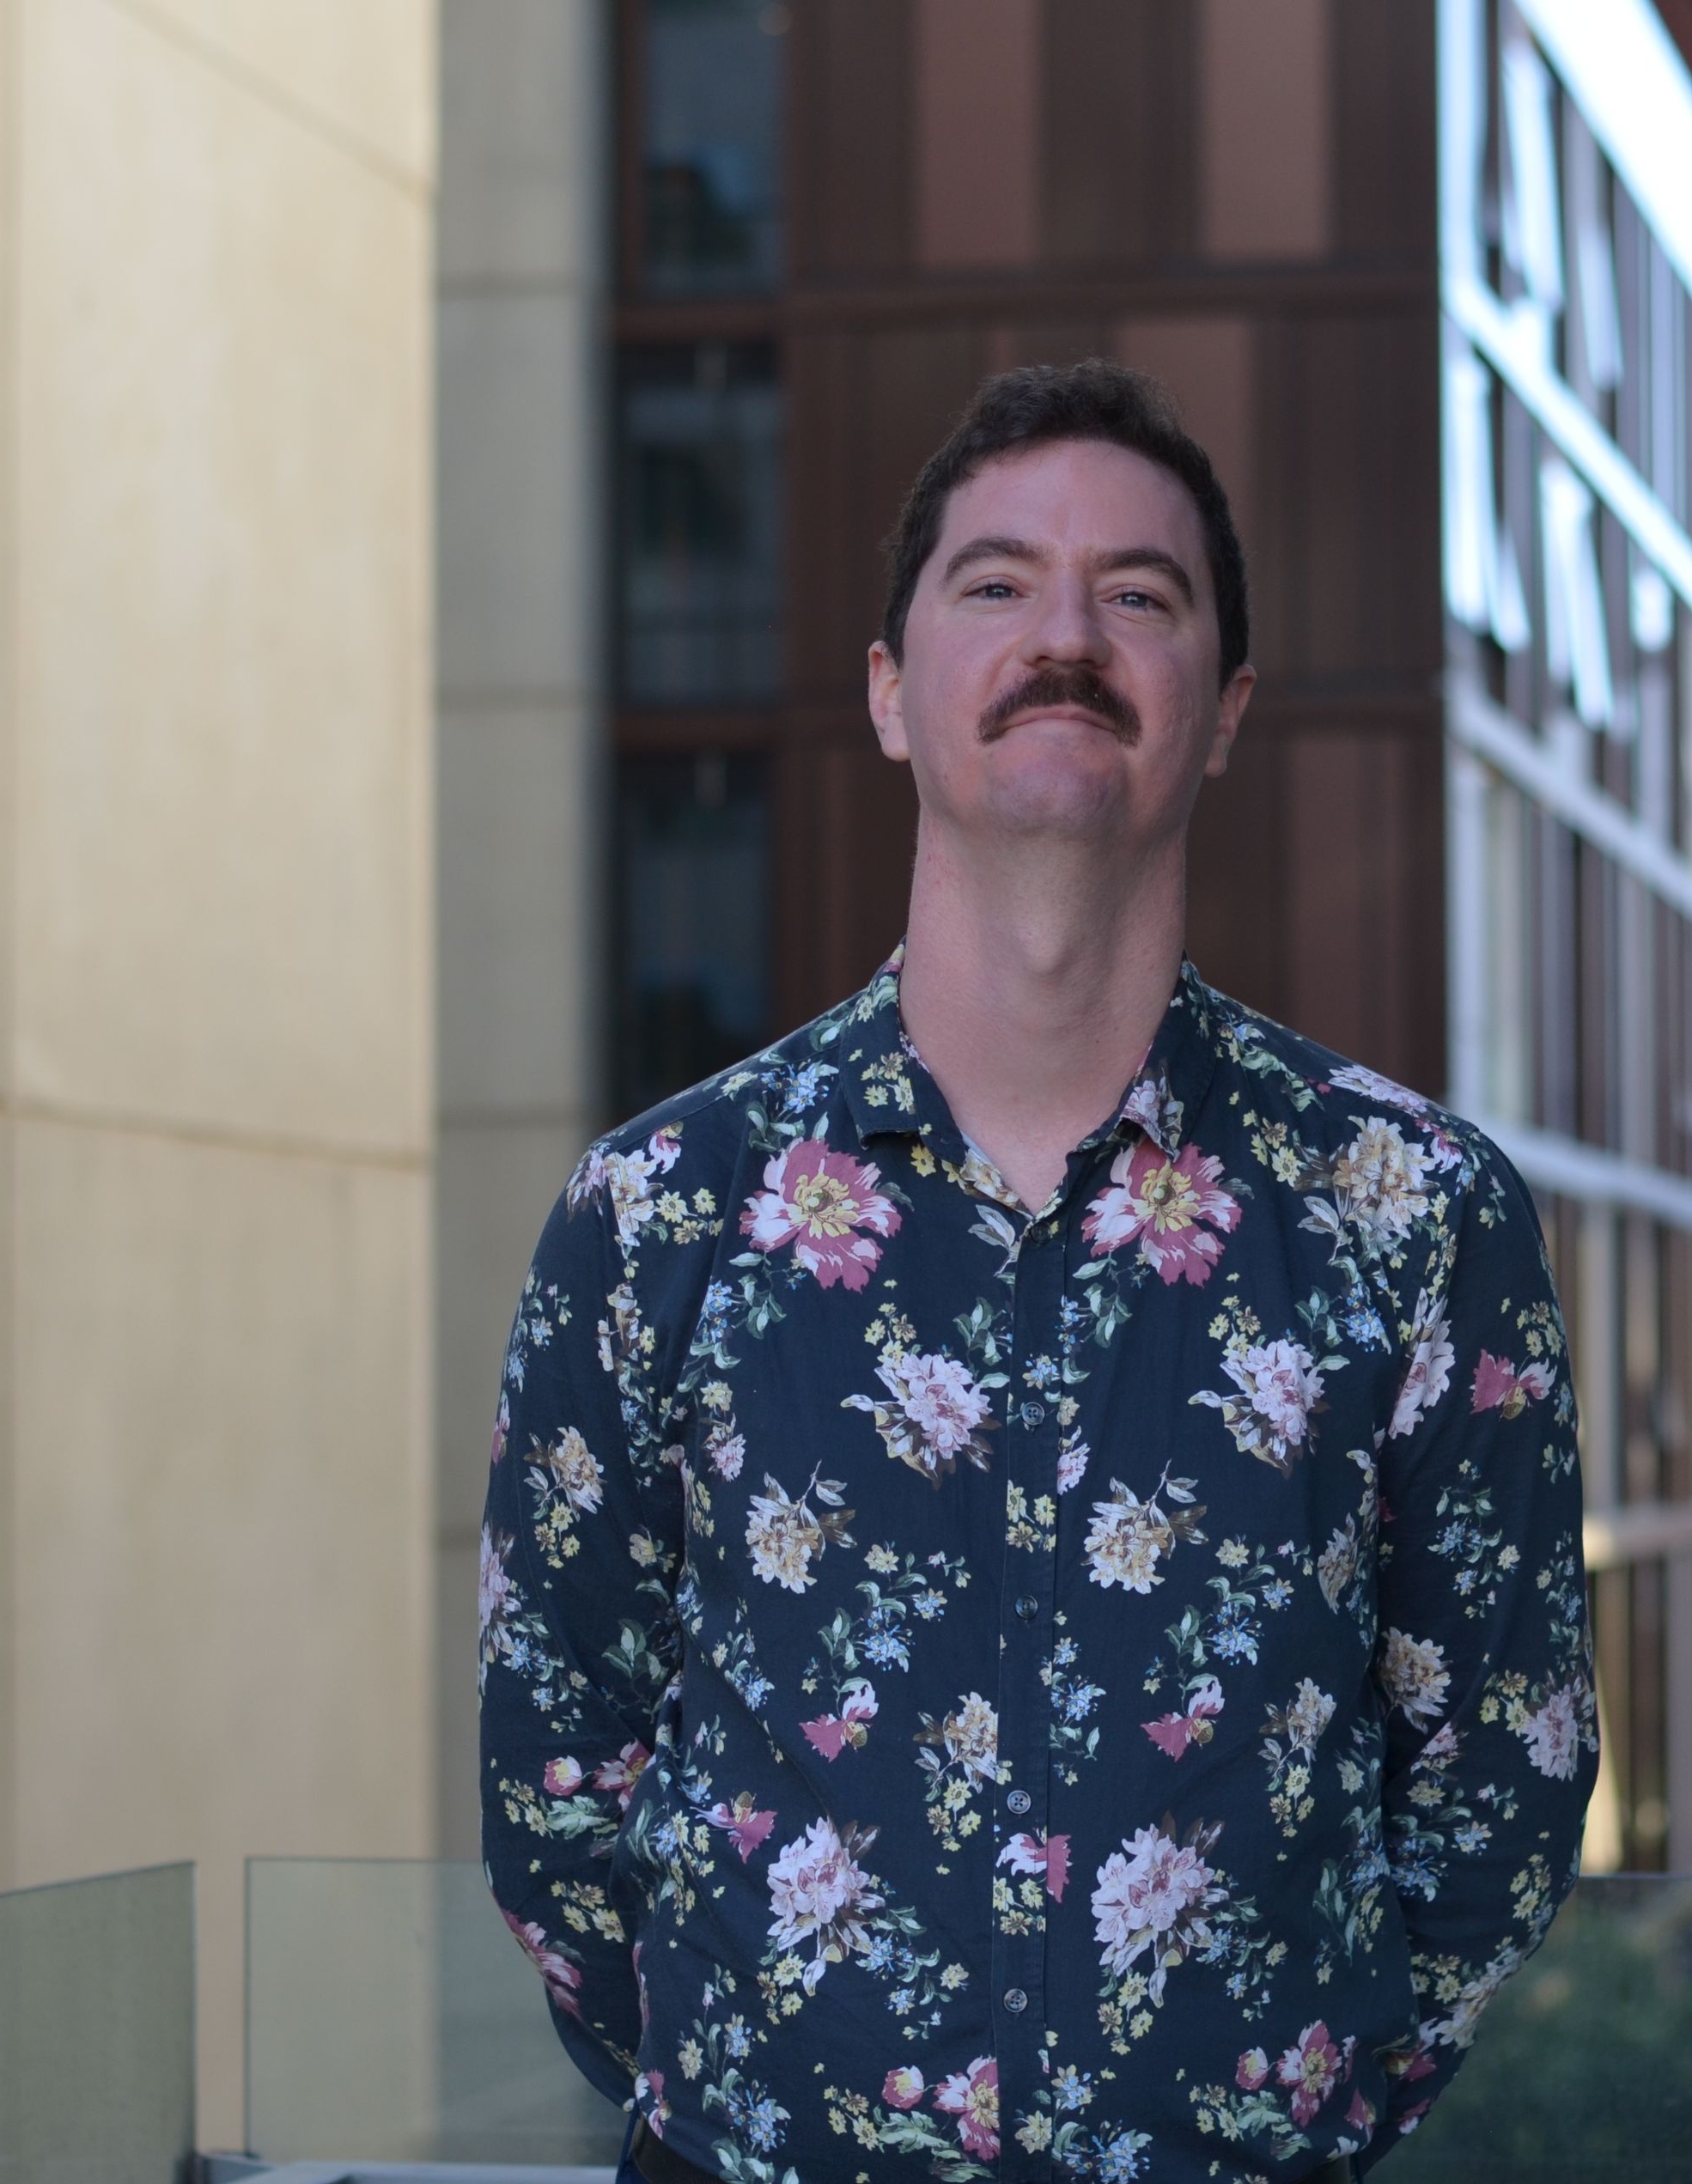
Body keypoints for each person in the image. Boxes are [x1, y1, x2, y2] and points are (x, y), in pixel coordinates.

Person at [478, 361, 1593, 2184]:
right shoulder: (657, 1215)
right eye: (995, 584)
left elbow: (1503, 1784)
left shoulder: (1419, 1215)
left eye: (1137, 595)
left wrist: (1275, 2111)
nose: (1065, 633)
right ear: (889, 695)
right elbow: (556, 1792)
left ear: (1221, 712)